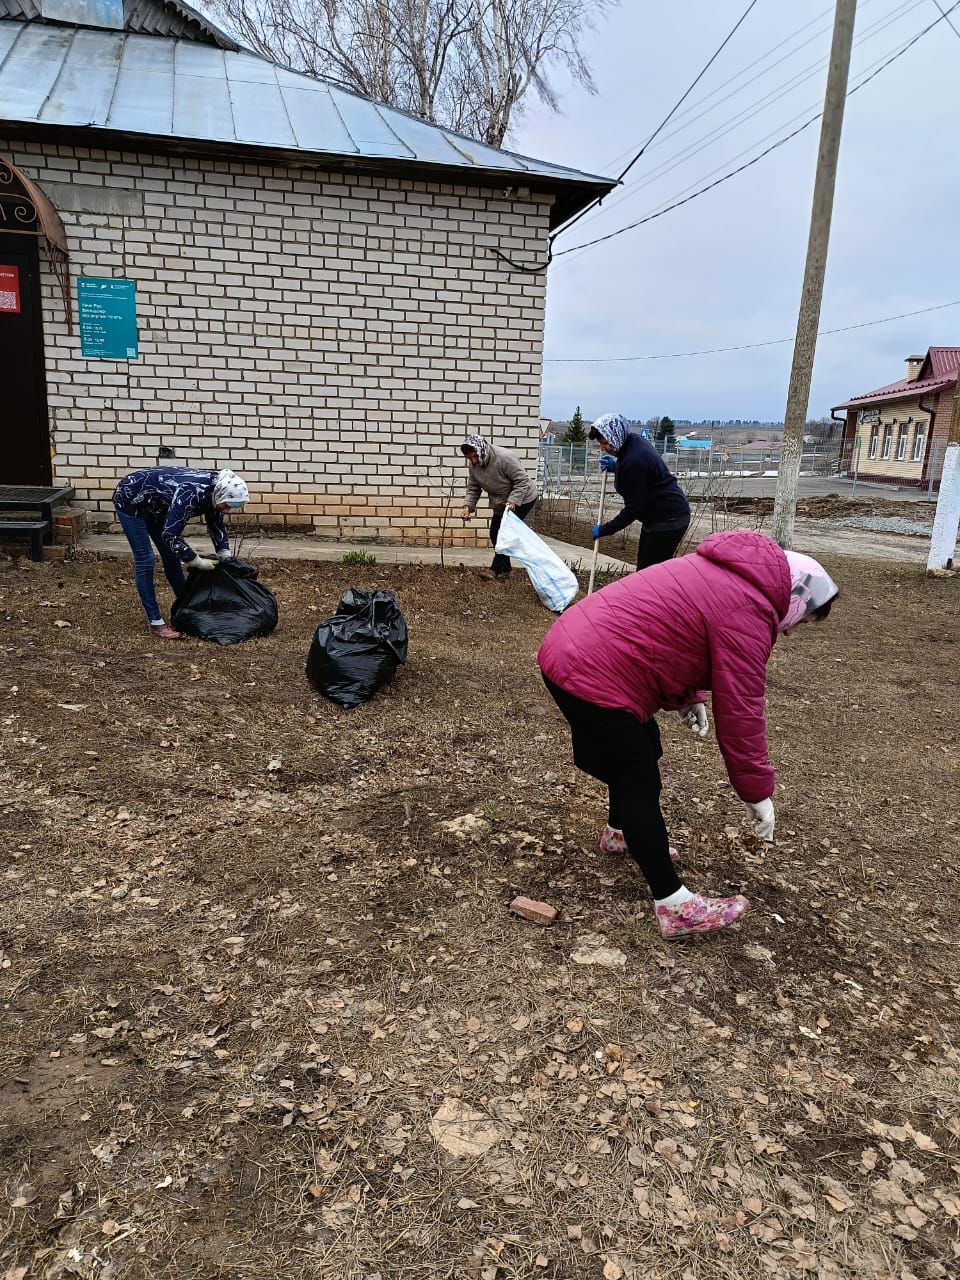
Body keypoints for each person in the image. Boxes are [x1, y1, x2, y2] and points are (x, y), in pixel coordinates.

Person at [537, 530, 839, 940]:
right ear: (797, 596)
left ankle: (620, 834)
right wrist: (756, 792)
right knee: (637, 775)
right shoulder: (748, 609)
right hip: (592, 669)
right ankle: (675, 904)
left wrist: (689, 696)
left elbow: (676, 633)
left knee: (644, 747)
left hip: (573, 647)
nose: (790, 631)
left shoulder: (724, 574)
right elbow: (742, 710)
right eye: (801, 619)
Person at [113, 466, 249, 639]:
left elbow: (216, 525)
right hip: (131, 498)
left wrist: (225, 555)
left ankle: (187, 607)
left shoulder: (218, 490)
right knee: (145, 559)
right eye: (227, 505)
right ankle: (156, 623)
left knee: (171, 556)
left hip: (157, 503)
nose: (227, 510)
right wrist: (196, 561)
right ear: (222, 495)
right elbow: (170, 534)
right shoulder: (191, 491)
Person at [588, 412, 690, 569]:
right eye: (600, 444)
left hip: (668, 520)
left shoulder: (634, 460)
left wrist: (604, 529)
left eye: (605, 443)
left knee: (649, 575)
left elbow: (633, 509)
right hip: (658, 516)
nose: (603, 448)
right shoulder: (631, 442)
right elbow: (645, 476)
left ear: (616, 436)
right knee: (645, 571)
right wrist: (617, 467)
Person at [460, 434, 538, 580]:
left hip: (524, 498)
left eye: (475, 456)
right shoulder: (474, 466)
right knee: (494, 532)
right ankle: (506, 568)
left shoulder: (504, 458)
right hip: (501, 502)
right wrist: (468, 506)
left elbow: (522, 481)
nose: (474, 461)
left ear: (481, 449)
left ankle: (494, 569)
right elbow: (473, 488)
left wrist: (513, 501)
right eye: (470, 458)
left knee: (505, 533)